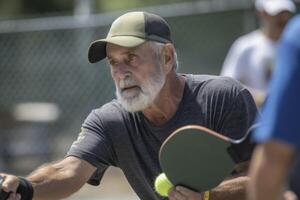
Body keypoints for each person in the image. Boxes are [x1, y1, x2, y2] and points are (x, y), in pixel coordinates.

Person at [0, 12, 257, 200]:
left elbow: (265, 177)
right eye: (113, 62)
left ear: (166, 57)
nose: (121, 72)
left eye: (131, 57)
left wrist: (208, 195)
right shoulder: (110, 121)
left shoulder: (223, 97)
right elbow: (69, 171)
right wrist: (23, 187)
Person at [248, 14, 300, 200]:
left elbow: (274, 156)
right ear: (261, 13)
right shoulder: (245, 46)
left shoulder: (296, 35)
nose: (280, 18)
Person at [220, 0, 295, 107]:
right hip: (255, 119)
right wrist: (260, 97)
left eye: (285, 12)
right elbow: (227, 84)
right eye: (277, 13)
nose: (283, 18)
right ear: (262, 13)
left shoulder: (295, 46)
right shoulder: (245, 46)